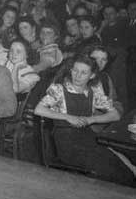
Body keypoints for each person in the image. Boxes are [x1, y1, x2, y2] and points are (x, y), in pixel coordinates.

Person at [34, 55, 133, 186]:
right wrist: (68, 117)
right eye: (75, 70)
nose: (77, 75)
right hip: (66, 141)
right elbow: (38, 109)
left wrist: (91, 120)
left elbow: (115, 115)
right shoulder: (59, 89)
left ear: (92, 75)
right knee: (108, 169)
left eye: (83, 72)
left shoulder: (94, 91)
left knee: (120, 164)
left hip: (87, 137)